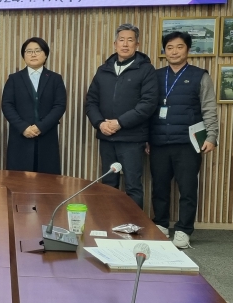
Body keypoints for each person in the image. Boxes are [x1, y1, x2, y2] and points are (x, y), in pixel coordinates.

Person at [148, 31, 219, 248]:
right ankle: (160, 225)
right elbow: (147, 109)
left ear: (188, 49)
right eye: (169, 48)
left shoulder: (200, 76)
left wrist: (212, 136)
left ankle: (183, 230)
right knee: (159, 187)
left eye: (179, 47)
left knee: (188, 189)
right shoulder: (155, 76)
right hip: (159, 141)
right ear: (164, 51)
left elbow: (209, 108)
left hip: (189, 143)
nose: (174, 52)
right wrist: (146, 138)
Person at [85, 23, 158, 208]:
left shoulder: (146, 69)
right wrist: (100, 123)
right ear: (115, 43)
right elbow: (91, 101)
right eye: (121, 40)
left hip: (132, 139)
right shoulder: (103, 70)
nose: (125, 44)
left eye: (130, 40)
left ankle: (133, 224)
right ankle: (109, 222)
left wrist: (120, 123)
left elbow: (148, 104)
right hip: (107, 137)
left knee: (133, 186)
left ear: (137, 44)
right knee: (108, 185)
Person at [1, 37, 67, 174]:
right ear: (24, 55)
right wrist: (23, 127)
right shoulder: (14, 79)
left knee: (47, 181)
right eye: (29, 51)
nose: (33, 54)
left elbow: (59, 105)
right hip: (20, 137)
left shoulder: (55, 79)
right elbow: (7, 105)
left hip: (47, 137)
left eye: (37, 50)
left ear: (45, 54)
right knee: (18, 180)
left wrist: (40, 127)